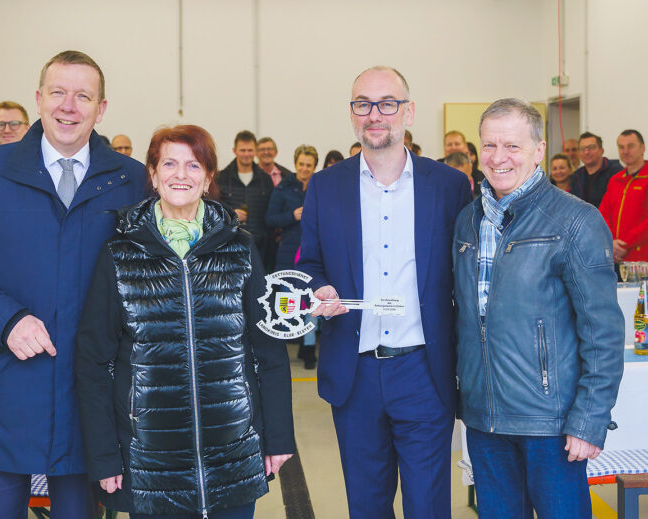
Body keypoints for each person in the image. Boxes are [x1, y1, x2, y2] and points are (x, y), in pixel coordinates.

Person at [0, 50, 147, 519]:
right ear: (39, 99)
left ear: (101, 108)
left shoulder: (130, 181)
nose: (69, 106)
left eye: (83, 96)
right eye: (58, 93)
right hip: (5, 384)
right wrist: (7, 320)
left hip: (89, 395)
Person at [75, 124, 295, 518]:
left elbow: (269, 349)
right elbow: (94, 361)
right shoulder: (120, 253)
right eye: (169, 164)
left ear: (209, 176)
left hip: (233, 456)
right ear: (153, 174)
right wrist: (105, 455)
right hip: (149, 465)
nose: (181, 175)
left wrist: (277, 436)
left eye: (194, 165)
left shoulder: (239, 247)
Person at [298, 66, 472, 518]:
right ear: (352, 113)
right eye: (363, 104)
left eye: (388, 103)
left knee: (428, 505)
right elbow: (310, 262)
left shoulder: (449, 187)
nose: (375, 114)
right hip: (354, 375)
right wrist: (320, 288)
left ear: (408, 111)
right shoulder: (325, 186)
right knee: (367, 506)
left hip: (423, 371)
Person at [453, 98, 623, 518]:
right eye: (489, 146)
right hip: (485, 420)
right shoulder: (467, 221)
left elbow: (602, 331)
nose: (498, 158)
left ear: (539, 149)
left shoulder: (576, 221)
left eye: (512, 146)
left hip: (551, 424)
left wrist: (589, 419)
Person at [266, 144, 319, 369]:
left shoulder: (319, 187)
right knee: (288, 302)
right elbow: (270, 219)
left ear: (314, 166)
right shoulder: (283, 188)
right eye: (301, 164)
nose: (304, 169)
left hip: (315, 253)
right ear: (295, 163)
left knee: (313, 301)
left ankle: (308, 347)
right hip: (289, 253)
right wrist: (292, 215)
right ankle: (284, 346)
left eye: (309, 165)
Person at [217, 131, 274, 260]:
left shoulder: (266, 180)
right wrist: (230, 213)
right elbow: (212, 210)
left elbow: (271, 212)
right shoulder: (221, 178)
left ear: (256, 151)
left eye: (250, 150)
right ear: (234, 150)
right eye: (243, 150)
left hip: (260, 247)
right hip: (229, 245)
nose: (247, 154)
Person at [599, 129, 648, 263]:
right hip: (615, 257)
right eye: (621, 147)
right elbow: (603, 215)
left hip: (642, 259)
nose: (625, 151)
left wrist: (624, 244)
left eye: (631, 146)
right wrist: (611, 242)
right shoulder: (615, 180)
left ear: (642, 148)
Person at [570, 131, 622, 207]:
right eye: (582, 149)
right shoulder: (577, 175)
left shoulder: (615, 172)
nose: (586, 152)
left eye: (591, 147)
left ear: (602, 150)